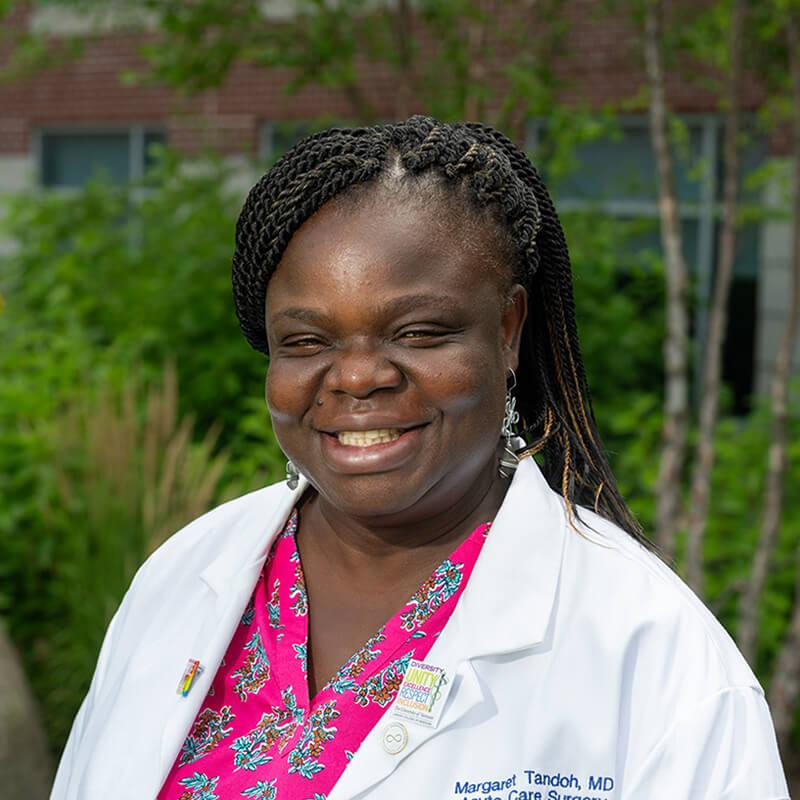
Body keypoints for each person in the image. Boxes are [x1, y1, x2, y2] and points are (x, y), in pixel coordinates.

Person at [51, 116, 788, 800]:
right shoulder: (180, 582)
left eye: (420, 332)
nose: (358, 376)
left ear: (507, 331)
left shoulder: (655, 657)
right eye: (307, 342)